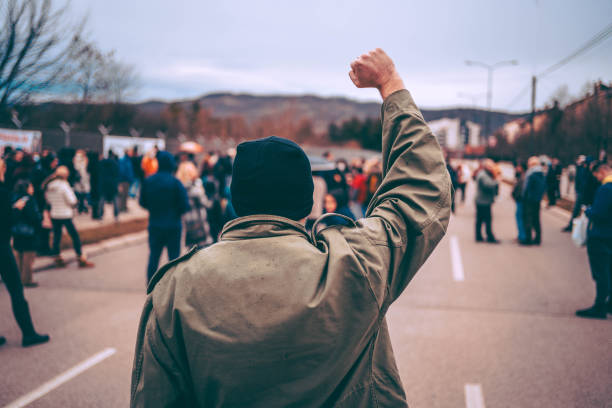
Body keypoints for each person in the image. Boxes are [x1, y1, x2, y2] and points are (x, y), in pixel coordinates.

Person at [131, 48, 451, 408]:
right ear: (306, 201)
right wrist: (390, 84)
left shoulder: (174, 289)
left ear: (236, 200)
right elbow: (420, 192)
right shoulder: (354, 265)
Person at [0, 158, 50, 347]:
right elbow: (6, 221)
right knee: (16, 290)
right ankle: (28, 333)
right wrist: (17, 210)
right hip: (2, 246)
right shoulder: (3, 193)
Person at [139, 151, 190, 283]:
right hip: (173, 225)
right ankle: (173, 285)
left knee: (154, 256)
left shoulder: (149, 181)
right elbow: (185, 205)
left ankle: (150, 285)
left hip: (155, 224)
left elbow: (142, 202)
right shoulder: (176, 183)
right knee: (174, 260)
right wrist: (176, 212)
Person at [576, 161, 612, 319]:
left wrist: (588, 210)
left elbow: (598, 213)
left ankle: (599, 307)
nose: (596, 178)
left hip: (600, 235)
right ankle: (609, 304)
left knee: (601, 273)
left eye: (596, 174)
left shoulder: (606, 188)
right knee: (609, 271)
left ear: (603, 171)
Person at [43, 166, 94, 268]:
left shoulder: (49, 185)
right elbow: (72, 201)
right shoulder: (64, 186)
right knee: (74, 236)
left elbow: (48, 201)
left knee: (57, 236)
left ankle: (57, 256)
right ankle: (80, 257)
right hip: (65, 214)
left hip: (55, 213)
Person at [12, 180, 42, 287]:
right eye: (31, 187)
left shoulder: (14, 198)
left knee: (18, 256)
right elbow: (32, 216)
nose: (32, 189)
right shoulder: (29, 200)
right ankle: (27, 280)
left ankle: (18, 279)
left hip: (16, 232)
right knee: (28, 258)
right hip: (28, 232)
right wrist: (38, 223)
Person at [176, 161, 212, 248]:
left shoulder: (179, 189)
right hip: (199, 224)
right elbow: (206, 204)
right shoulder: (195, 189)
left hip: (187, 224)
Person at [521, 156, 546, 246]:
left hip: (529, 200)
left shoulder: (530, 173)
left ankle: (528, 239)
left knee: (528, 219)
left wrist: (523, 197)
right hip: (537, 200)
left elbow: (526, 187)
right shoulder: (542, 174)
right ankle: (538, 238)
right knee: (536, 219)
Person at [474, 159, 499, 243]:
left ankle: (479, 236)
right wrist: (497, 181)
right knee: (487, 220)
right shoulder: (483, 175)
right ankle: (489, 236)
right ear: (486, 166)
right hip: (483, 201)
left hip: (483, 201)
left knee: (480, 220)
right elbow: (488, 185)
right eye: (490, 166)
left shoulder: (484, 173)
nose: (492, 168)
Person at [100, 150, 120, 221]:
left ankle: (100, 215)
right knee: (115, 200)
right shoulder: (115, 163)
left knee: (102, 199)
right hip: (113, 184)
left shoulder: (102, 162)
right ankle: (116, 215)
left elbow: (100, 172)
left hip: (104, 183)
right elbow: (117, 174)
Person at [512, 164, 527, 244]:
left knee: (520, 219)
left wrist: (516, 196)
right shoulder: (520, 177)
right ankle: (521, 235)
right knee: (519, 218)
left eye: (518, 167)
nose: (516, 169)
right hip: (519, 201)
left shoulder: (523, 178)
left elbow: (521, 191)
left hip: (521, 201)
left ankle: (522, 236)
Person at [73, 149, 90, 214]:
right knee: (83, 195)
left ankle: (81, 207)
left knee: (80, 195)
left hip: (79, 180)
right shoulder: (82, 160)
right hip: (82, 179)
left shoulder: (76, 159)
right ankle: (83, 207)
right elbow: (82, 171)